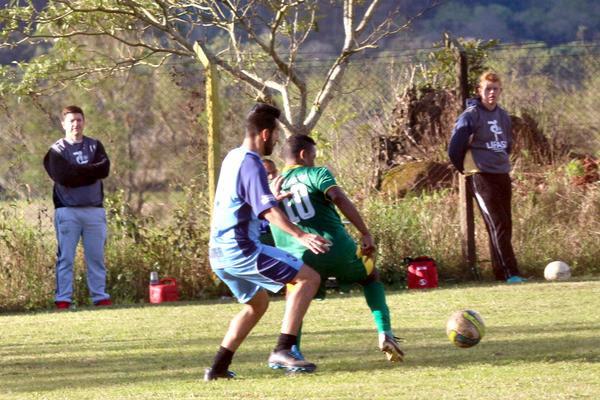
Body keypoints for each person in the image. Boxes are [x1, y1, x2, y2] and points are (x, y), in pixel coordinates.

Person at [205, 103, 330, 381]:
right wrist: (301, 235)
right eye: (275, 135)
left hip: (218, 253)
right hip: (242, 250)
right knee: (308, 278)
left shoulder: (232, 158)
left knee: (257, 304)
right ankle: (283, 349)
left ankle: (217, 368)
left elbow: (246, 201)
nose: (276, 141)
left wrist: (268, 195)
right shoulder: (251, 163)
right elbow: (267, 211)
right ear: (264, 134)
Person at [270, 134, 404, 363]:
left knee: (296, 296)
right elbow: (338, 197)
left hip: (299, 257)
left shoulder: (273, 186)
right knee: (371, 276)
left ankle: (290, 350)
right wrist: (364, 232)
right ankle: (385, 333)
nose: (314, 160)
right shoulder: (316, 173)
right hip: (333, 247)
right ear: (303, 155)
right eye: (312, 155)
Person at [448, 71, 525, 284]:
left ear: (501, 91)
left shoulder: (503, 115)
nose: (492, 93)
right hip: (481, 174)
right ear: (479, 91)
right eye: (487, 89)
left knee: (506, 223)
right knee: (497, 223)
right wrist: (465, 168)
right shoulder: (470, 116)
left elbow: (507, 145)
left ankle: (501, 272)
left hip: (501, 172)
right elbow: (454, 148)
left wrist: (499, 160)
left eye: (495, 89)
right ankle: (511, 272)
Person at [43, 105, 112, 309]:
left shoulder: (95, 146)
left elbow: (104, 169)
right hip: (67, 211)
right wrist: (89, 172)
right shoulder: (56, 151)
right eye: (71, 121)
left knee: (96, 257)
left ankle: (99, 296)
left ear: (84, 122)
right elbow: (63, 177)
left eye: (79, 120)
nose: (76, 124)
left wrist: (77, 171)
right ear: (63, 124)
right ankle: (63, 299)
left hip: (94, 210)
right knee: (66, 257)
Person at [258, 159, 279, 246]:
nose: (271, 177)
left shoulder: (282, 187)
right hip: (263, 236)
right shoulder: (255, 192)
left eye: (273, 172)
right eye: (267, 174)